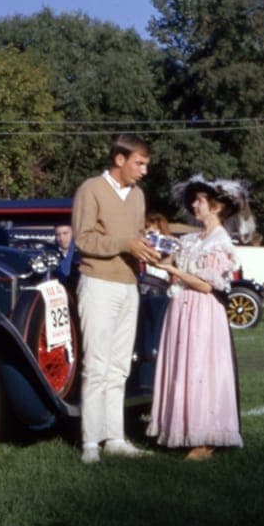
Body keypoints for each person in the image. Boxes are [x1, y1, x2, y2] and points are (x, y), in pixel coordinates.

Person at [147, 173, 254, 461]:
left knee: (201, 369)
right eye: (194, 201)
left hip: (203, 311)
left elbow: (208, 285)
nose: (195, 206)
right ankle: (182, 429)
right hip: (182, 308)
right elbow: (175, 267)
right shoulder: (191, 239)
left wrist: (175, 272)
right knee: (182, 366)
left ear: (217, 207)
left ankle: (206, 437)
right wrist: (163, 259)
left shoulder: (220, 242)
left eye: (201, 201)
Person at [71, 133, 161, 463]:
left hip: (128, 285)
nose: (144, 170)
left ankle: (115, 438)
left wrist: (148, 247)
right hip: (97, 284)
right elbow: (83, 239)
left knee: (120, 367)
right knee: (96, 366)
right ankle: (90, 444)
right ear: (119, 160)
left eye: (146, 164)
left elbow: (133, 239)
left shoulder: (138, 196)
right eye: (139, 163)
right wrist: (126, 244)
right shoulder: (91, 189)